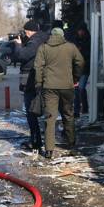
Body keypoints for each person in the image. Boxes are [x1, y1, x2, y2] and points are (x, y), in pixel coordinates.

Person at [34, 27, 85, 159]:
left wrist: (39, 83)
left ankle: (49, 150)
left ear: (51, 35)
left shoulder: (43, 47)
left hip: (49, 87)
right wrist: (76, 77)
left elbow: (37, 66)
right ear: (63, 35)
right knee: (68, 114)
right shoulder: (70, 47)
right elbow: (80, 62)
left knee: (50, 118)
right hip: (67, 86)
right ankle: (71, 143)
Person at [16, 21, 50, 151]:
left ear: (29, 31)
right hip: (46, 79)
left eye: (25, 32)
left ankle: (36, 141)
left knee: (31, 111)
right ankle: (45, 141)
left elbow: (21, 55)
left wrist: (19, 46)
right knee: (46, 111)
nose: (24, 34)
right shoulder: (45, 38)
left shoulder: (34, 42)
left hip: (32, 79)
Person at [72, 23, 91, 118]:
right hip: (76, 69)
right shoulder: (76, 39)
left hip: (85, 69)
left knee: (81, 88)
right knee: (76, 89)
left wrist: (81, 50)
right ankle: (76, 111)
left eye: (81, 30)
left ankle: (85, 108)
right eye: (79, 30)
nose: (80, 32)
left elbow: (89, 54)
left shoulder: (88, 39)